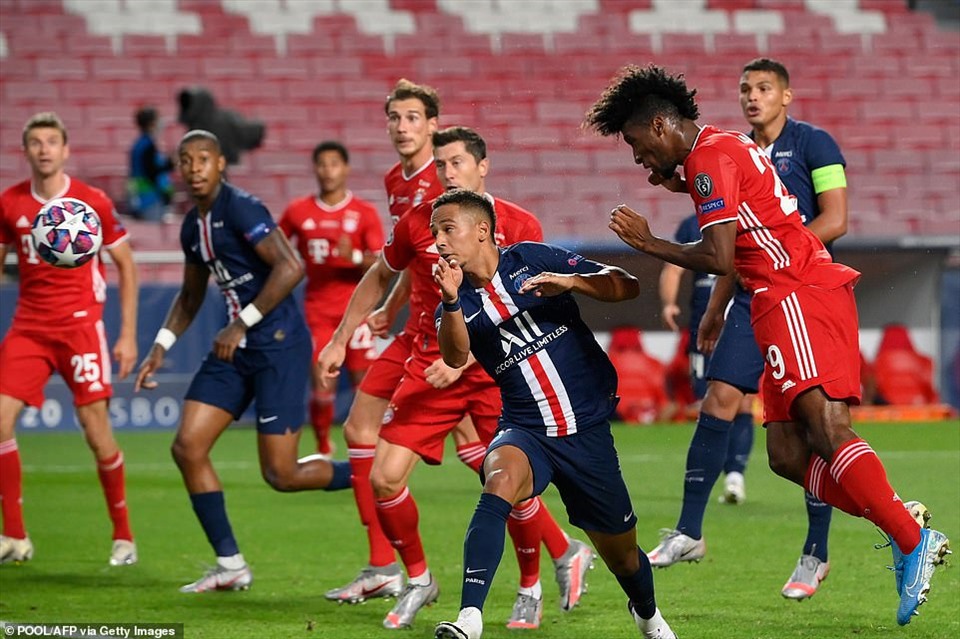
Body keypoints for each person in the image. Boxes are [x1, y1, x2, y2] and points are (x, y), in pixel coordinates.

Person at [586, 63, 950, 627]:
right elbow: (744, 224)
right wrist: (682, 195)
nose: (638, 159)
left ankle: (908, 536)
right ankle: (901, 521)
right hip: (773, 300)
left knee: (827, 429)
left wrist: (649, 242)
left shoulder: (710, 159)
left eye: (636, 143)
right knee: (785, 455)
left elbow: (719, 257)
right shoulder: (724, 145)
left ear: (659, 125)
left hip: (797, 292)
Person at [319, 127, 593, 630]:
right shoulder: (420, 223)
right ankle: (419, 579)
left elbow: (524, 305)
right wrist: (344, 336)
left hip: (495, 371)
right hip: (431, 363)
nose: (446, 172)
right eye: (440, 164)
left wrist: (463, 360)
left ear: (482, 166)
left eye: (457, 163)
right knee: (385, 476)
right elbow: (386, 274)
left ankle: (529, 587)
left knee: (507, 482)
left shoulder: (518, 223)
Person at [646, 59, 852, 602]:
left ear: (787, 95)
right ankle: (688, 531)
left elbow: (836, 219)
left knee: (813, 427)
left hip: (801, 289)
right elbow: (733, 242)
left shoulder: (815, 145)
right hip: (748, 293)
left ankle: (816, 551)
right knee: (718, 398)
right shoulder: (732, 149)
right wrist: (715, 307)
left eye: (764, 87)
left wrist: (784, 252)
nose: (752, 96)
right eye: (744, 89)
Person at [431, 189, 677, 639]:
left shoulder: (530, 259)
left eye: (448, 229)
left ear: (482, 229)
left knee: (623, 557)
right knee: (499, 480)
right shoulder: (456, 300)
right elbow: (454, 355)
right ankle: (469, 616)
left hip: (586, 431)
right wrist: (449, 302)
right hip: (526, 429)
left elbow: (626, 285)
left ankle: (648, 616)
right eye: (435, 234)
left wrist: (572, 282)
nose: (440, 241)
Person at [133, 130, 351, 593]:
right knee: (187, 447)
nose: (194, 167)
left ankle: (367, 471)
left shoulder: (242, 208)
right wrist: (160, 346)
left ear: (220, 164)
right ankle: (230, 564)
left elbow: (290, 267)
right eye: (186, 160)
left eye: (203, 159)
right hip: (233, 350)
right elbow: (190, 295)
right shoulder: (192, 226)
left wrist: (240, 323)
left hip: (276, 345)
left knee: (282, 475)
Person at [0, 111, 139, 566]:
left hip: (80, 327)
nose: (44, 149)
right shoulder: (10, 203)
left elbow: (126, 264)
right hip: (29, 328)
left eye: (51, 141)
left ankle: (124, 536)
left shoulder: (91, 201)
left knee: (97, 435)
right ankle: (15, 536)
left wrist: (127, 336)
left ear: (65, 150)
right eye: (35, 142)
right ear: (25, 151)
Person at [279, 141, 384, 457]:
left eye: (334, 164)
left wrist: (354, 257)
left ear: (346, 168)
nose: (328, 171)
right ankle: (323, 445)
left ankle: (369, 444)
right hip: (318, 310)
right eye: (322, 164)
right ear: (315, 168)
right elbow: (275, 248)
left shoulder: (364, 213)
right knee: (322, 381)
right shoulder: (298, 211)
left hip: (357, 309)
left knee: (364, 382)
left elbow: (382, 262)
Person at [127, 105, 174, 222]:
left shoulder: (139, 144)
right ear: (151, 123)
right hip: (151, 198)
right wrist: (170, 164)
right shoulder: (147, 145)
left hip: (142, 197)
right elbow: (151, 171)